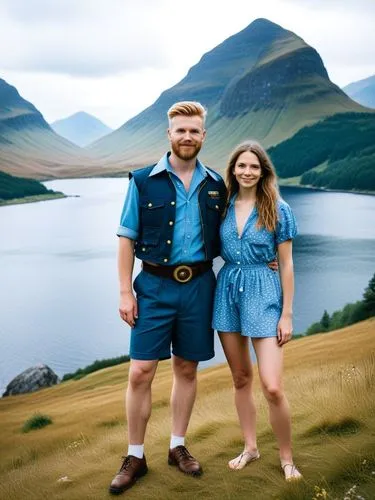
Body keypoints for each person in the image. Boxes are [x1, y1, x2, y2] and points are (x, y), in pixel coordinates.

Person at [109, 101, 227, 495]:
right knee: (140, 371)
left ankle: (177, 447)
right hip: (154, 287)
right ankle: (135, 456)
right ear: (169, 134)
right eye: (181, 130)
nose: (187, 137)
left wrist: (269, 260)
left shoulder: (216, 184)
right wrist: (126, 291)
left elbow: (232, 234)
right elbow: (126, 237)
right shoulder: (142, 181)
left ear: (203, 135)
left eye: (194, 130)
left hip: (199, 286)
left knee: (187, 369)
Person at [212, 140, 302, 481]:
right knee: (240, 378)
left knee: (272, 386)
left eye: (253, 166)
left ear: (263, 171)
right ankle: (250, 447)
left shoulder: (277, 207)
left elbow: (288, 263)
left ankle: (287, 458)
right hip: (227, 291)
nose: (247, 172)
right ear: (233, 170)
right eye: (241, 166)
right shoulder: (222, 205)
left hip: (265, 294)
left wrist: (287, 313)